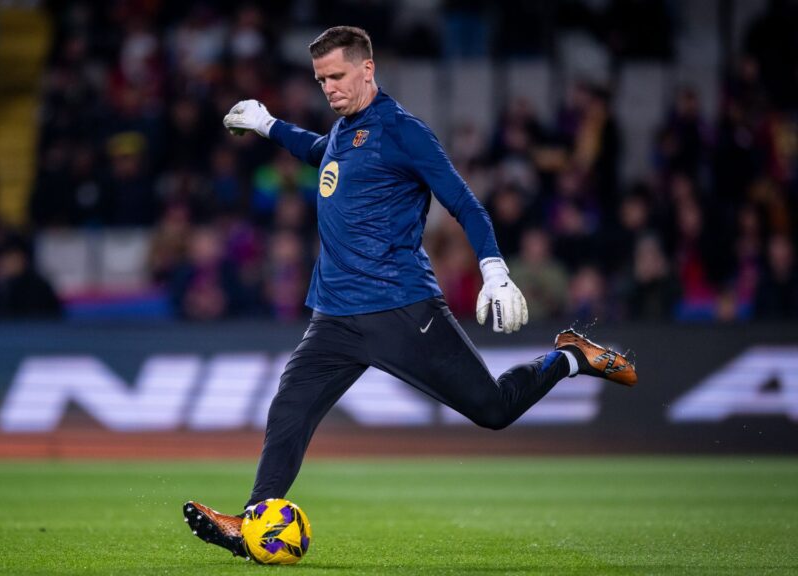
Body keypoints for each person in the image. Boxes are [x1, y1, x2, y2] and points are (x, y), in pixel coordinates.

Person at [183, 26, 636, 559]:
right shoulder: (344, 131)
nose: (328, 88)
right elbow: (317, 151)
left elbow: (464, 202)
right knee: (289, 409)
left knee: (492, 409)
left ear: (368, 69)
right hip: (335, 317)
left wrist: (494, 269)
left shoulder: (402, 131)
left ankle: (570, 358)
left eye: (337, 76)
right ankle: (254, 518)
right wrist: (268, 125)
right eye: (321, 79)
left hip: (402, 308)